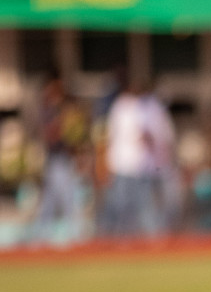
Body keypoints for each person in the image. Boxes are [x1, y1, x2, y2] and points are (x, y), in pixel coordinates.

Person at [101, 78, 174, 239]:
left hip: (139, 165)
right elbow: (113, 137)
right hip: (124, 164)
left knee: (140, 205)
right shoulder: (125, 107)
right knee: (123, 205)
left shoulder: (141, 107)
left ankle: (143, 239)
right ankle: (120, 238)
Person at [25, 73, 91, 246]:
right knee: (55, 200)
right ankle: (43, 237)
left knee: (62, 199)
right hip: (55, 159)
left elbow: (76, 136)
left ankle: (66, 235)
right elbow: (49, 136)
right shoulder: (49, 110)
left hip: (64, 159)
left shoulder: (65, 109)